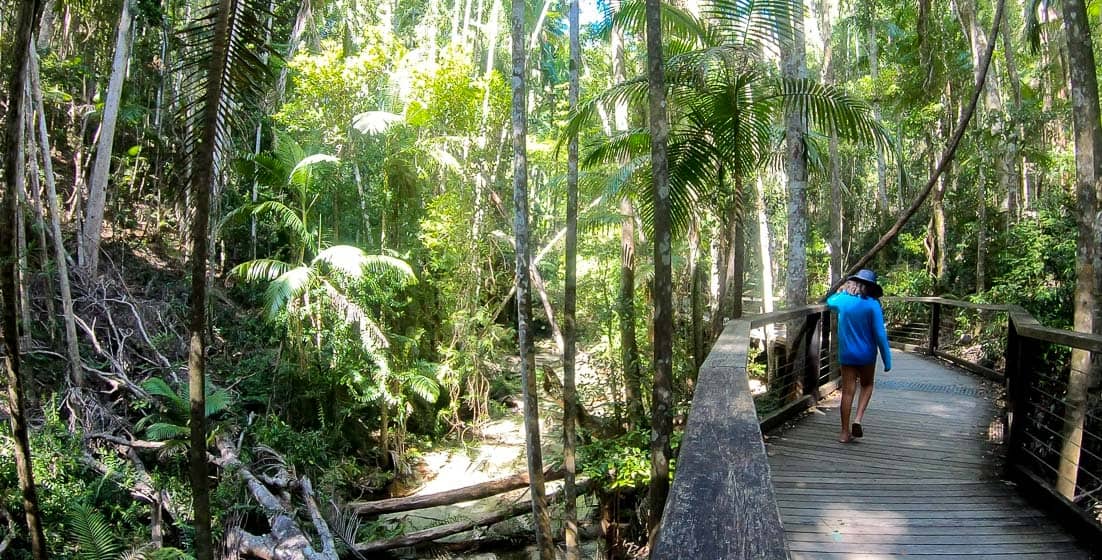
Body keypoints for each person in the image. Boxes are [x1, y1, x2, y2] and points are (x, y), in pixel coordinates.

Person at [826, 269, 892, 443]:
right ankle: (858, 419)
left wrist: (842, 290)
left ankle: (844, 432)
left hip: (847, 354)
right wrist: (887, 359)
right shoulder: (873, 304)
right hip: (867, 355)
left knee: (847, 392)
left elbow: (829, 301)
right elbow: (880, 334)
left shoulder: (842, 301)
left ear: (853, 283)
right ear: (871, 287)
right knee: (867, 384)